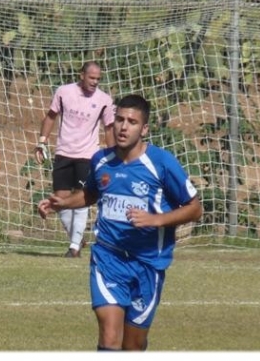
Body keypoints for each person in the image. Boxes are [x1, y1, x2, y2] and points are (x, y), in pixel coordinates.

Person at [38, 94, 203, 351]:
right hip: (108, 258)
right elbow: (91, 194)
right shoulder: (101, 160)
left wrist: (156, 219)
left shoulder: (161, 163)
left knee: (133, 345)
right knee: (109, 334)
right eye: (119, 120)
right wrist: (64, 203)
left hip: (148, 262)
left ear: (144, 129)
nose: (124, 127)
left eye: (132, 122)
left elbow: (195, 209)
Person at [35, 61, 115, 257]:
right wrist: (42, 142)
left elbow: (109, 128)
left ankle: (73, 248)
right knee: (60, 200)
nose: (95, 82)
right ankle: (77, 239)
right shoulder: (64, 92)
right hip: (63, 153)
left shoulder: (104, 99)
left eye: (98, 79)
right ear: (82, 75)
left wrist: (113, 154)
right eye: (92, 78)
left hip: (87, 156)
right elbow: (51, 116)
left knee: (82, 198)